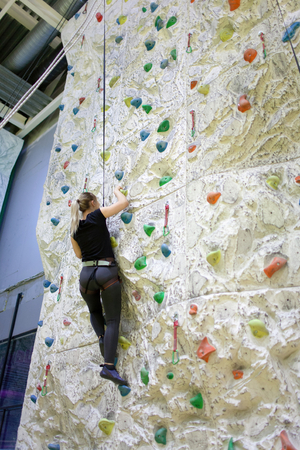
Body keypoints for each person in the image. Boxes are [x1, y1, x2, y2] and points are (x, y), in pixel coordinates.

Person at [70, 186, 129, 386]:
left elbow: (78, 255)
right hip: (105, 271)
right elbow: (123, 204)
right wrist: (117, 190)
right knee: (112, 319)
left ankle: (102, 338)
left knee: (94, 310)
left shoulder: (74, 229)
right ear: (93, 203)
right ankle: (108, 367)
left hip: (86, 276)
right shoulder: (97, 215)